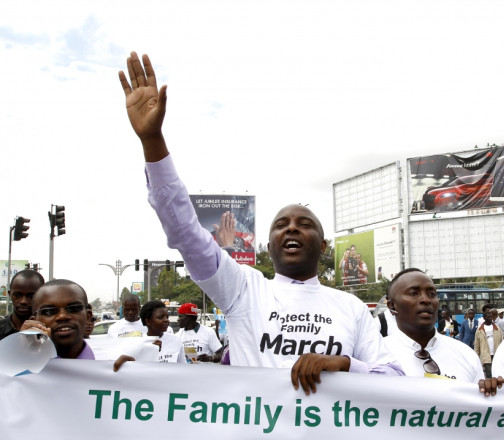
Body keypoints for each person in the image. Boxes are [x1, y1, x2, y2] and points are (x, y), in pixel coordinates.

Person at [119, 51, 402, 394]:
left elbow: (395, 381)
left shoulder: (352, 308)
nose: (292, 228)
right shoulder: (243, 289)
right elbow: (186, 233)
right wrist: (152, 142)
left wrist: (343, 364)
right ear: (269, 247)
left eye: (304, 224)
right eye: (281, 225)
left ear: (324, 246)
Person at [20, 279, 95, 359]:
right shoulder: (18, 366)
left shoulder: (108, 364)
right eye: (49, 311)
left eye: (73, 308)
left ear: (88, 316)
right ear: (35, 321)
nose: (62, 316)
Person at [1, 270, 45, 341]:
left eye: (31, 296)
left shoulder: (50, 332)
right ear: (10, 294)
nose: (23, 301)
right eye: (17, 295)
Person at [474, 305, 504, 378]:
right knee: (489, 375)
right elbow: (477, 346)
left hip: (496, 354)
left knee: (497, 373)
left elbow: (501, 342)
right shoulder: (479, 330)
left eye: (491, 317)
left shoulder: (497, 329)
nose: (490, 319)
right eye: (488, 317)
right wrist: (476, 357)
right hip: (486, 356)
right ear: (484, 318)